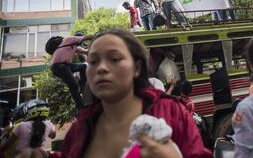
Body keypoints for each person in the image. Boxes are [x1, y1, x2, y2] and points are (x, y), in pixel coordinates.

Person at [17, 29, 212, 158]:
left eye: (114, 58)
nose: (101, 68)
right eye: (93, 62)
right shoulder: (81, 127)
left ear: (137, 68)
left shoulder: (170, 112)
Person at [49, 34, 92, 110]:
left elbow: (86, 51)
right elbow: (87, 37)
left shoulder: (75, 47)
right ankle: (80, 107)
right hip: (58, 66)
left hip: (66, 66)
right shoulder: (68, 40)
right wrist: (98, 36)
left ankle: (83, 86)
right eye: (80, 42)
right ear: (77, 39)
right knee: (73, 85)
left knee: (84, 66)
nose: (80, 43)